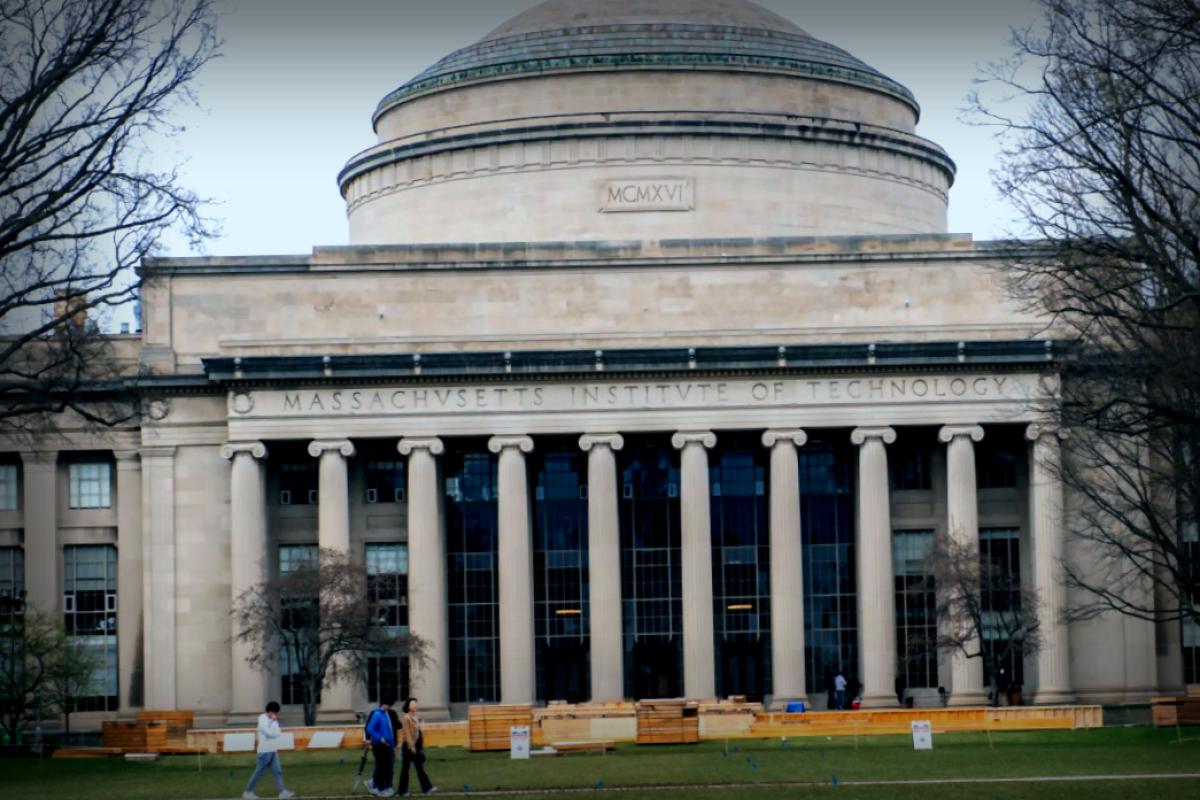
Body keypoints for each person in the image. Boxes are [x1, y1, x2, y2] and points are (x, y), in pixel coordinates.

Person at [243, 701, 295, 800]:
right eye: (275, 712)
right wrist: (273, 723)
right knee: (259, 772)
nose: (275, 715)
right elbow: (269, 733)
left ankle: (282, 792)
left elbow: (278, 733)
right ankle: (248, 792)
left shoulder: (274, 720)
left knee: (278, 771)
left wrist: (274, 724)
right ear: (270, 711)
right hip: (264, 751)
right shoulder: (262, 719)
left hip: (273, 750)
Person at [398, 697, 437, 797]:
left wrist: (418, 746)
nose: (415, 705)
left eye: (415, 703)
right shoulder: (406, 718)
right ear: (408, 706)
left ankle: (427, 788)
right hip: (408, 747)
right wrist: (412, 747)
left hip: (414, 746)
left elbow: (417, 733)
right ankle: (402, 791)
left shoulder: (415, 718)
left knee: (419, 767)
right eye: (413, 703)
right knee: (406, 769)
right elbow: (407, 733)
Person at [365, 696, 398, 797]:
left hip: (387, 745)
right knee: (383, 767)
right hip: (379, 745)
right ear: (384, 704)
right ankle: (381, 787)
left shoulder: (385, 714)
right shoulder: (377, 714)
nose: (390, 707)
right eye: (389, 705)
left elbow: (389, 731)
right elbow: (370, 729)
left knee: (386, 766)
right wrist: (380, 738)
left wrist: (392, 745)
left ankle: (379, 786)